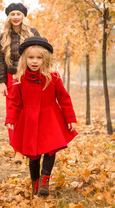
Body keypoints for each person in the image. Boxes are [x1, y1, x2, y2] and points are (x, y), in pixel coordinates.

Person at [5, 36, 77, 197]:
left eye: (39, 58)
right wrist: (10, 119)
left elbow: (64, 98)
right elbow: (14, 102)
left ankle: (45, 179)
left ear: (45, 59)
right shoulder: (20, 79)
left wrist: (70, 119)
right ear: (25, 59)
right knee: (34, 154)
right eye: (31, 58)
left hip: (50, 119)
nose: (35, 61)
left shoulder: (53, 77)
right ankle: (35, 182)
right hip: (29, 121)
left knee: (51, 150)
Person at [0, 3, 40, 164]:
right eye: (12, 14)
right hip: (11, 78)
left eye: (18, 14)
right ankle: (17, 151)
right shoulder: (3, 37)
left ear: (23, 16)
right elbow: (2, 61)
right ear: (9, 17)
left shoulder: (32, 33)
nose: (15, 17)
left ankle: (30, 147)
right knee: (12, 113)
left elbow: (39, 55)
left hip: (29, 77)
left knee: (29, 113)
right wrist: (3, 82)